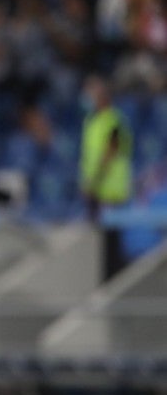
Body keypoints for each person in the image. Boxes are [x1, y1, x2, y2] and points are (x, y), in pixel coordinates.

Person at [79, 75, 132, 279]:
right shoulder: (93, 121)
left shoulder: (113, 120)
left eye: (91, 92)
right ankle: (104, 281)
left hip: (110, 192)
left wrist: (94, 182)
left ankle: (114, 281)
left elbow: (110, 152)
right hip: (96, 193)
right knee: (99, 246)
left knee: (112, 246)